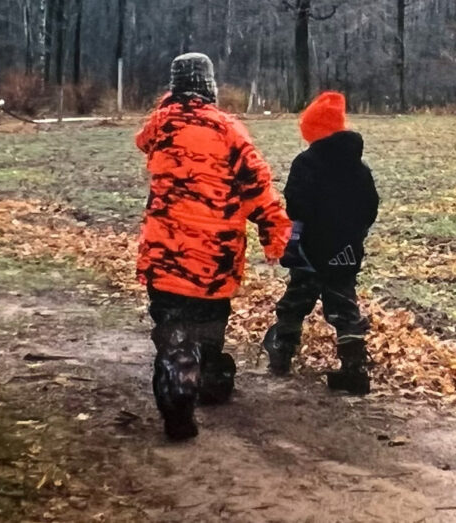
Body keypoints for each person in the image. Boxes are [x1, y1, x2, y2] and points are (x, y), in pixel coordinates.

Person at [136, 52, 290, 440]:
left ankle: (176, 394)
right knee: (207, 328)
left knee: (173, 329)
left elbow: (144, 139)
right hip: (213, 257)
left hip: (165, 257)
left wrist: (170, 104)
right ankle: (208, 380)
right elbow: (258, 189)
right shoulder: (228, 131)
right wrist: (275, 233)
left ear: (174, 89)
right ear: (210, 87)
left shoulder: (160, 126)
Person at [263, 91, 380, 395]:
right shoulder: (358, 167)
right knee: (343, 306)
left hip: (311, 249)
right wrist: (355, 234)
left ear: (314, 130)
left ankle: (282, 353)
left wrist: (299, 234)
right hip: (345, 251)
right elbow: (370, 207)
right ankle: (354, 367)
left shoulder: (306, 163)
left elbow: (296, 205)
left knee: (295, 302)